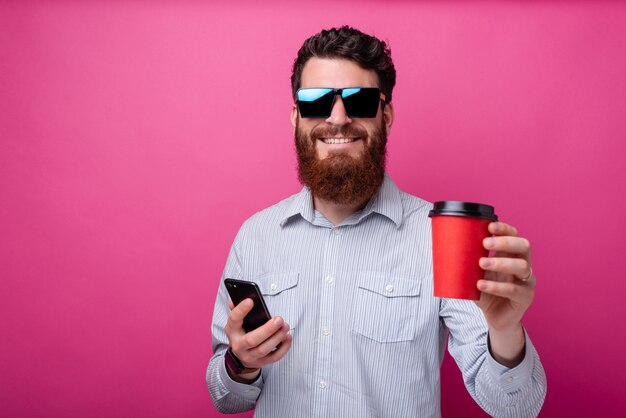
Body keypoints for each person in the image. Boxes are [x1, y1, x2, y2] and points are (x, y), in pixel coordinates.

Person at [206, 26, 547, 417]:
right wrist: (240, 363)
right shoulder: (256, 237)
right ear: (296, 117)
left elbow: (518, 407)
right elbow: (226, 398)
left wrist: (505, 331)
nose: (337, 118)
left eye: (360, 100)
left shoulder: (439, 238)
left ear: (386, 115)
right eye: (317, 102)